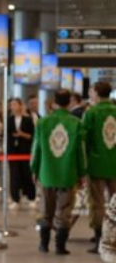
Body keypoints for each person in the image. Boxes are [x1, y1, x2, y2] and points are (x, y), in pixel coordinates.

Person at [31, 89, 86, 254]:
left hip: (46, 173)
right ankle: (60, 246)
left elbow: (36, 149)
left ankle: (43, 244)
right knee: (64, 210)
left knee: (45, 210)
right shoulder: (76, 123)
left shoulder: (43, 122)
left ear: (54, 102)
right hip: (67, 174)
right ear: (69, 102)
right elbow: (80, 152)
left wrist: (34, 169)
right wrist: (82, 173)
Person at [79, 81, 116, 253]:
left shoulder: (91, 113)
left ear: (96, 93)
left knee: (98, 203)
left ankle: (101, 238)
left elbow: (84, 140)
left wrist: (82, 165)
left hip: (96, 164)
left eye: (91, 91)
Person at [6, 97, 36, 209]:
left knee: (26, 174)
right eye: (11, 105)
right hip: (13, 152)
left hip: (25, 151)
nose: (12, 107)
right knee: (14, 175)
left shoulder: (28, 120)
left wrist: (22, 134)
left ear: (20, 105)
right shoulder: (8, 120)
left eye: (15, 104)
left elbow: (32, 136)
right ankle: (15, 198)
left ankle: (30, 196)